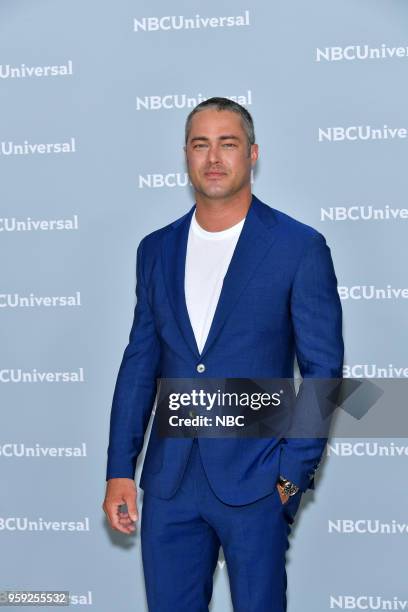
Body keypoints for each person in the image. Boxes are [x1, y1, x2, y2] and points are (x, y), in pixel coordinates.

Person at [102, 97, 344, 611]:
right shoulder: (155, 249)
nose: (213, 157)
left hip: (257, 479)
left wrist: (291, 476)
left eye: (227, 143)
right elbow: (139, 364)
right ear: (186, 156)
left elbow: (323, 372)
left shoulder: (299, 247)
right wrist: (120, 469)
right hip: (170, 485)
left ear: (252, 154)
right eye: (200, 144)